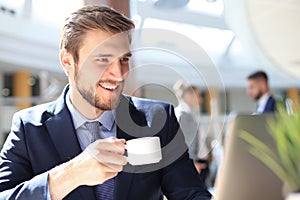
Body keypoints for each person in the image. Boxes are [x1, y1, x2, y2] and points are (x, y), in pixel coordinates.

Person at [0, 5, 211, 200]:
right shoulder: (29, 128)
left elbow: (190, 194)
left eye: (124, 59)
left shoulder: (158, 119)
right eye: (102, 59)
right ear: (67, 61)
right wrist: (71, 174)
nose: (119, 74)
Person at [173, 81, 210, 189]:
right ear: (189, 96)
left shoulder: (184, 114)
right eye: (198, 95)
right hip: (195, 165)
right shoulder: (184, 116)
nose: (201, 100)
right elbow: (185, 143)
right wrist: (191, 165)